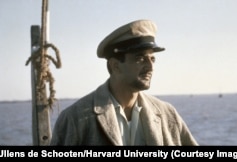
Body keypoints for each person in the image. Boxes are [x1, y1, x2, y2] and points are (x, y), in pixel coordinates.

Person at [50, 19, 198, 146]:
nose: (150, 67)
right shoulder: (75, 119)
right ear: (115, 65)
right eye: (140, 58)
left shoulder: (167, 114)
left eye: (152, 59)